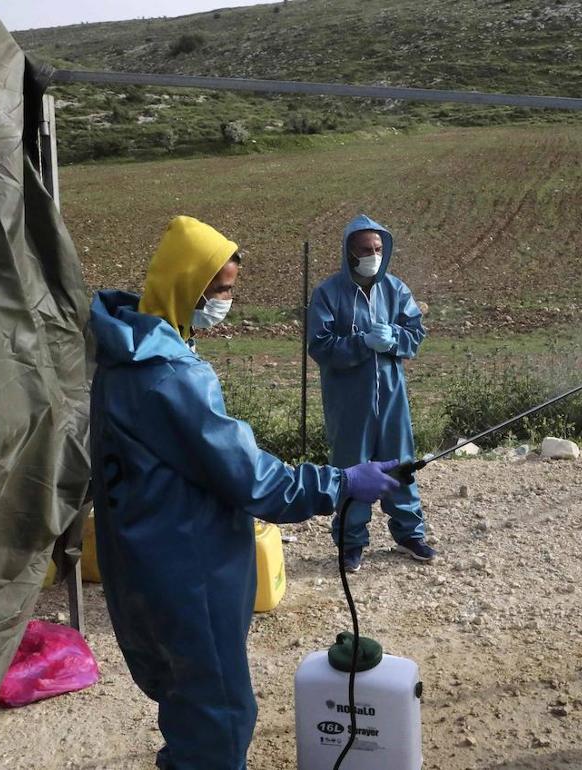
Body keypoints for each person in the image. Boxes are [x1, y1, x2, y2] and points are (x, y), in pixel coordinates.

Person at [89, 215, 402, 770]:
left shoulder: (123, 352)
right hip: (189, 569)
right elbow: (255, 480)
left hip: (145, 558)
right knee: (220, 717)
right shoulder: (168, 377)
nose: (227, 304)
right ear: (190, 287)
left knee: (187, 705)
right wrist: (344, 482)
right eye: (223, 292)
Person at [308, 214, 433, 571]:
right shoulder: (328, 294)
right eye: (365, 249)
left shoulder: (396, 290)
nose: (373, 255)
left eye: (378, 248)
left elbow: (414, 335)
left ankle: (410, 533)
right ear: (349, 252)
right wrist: (361, 343)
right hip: (349, 402)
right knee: (352, 468)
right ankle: (350, 542)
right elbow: (320, 346)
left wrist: (394, 339)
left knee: (400, 463)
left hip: (392, 397)